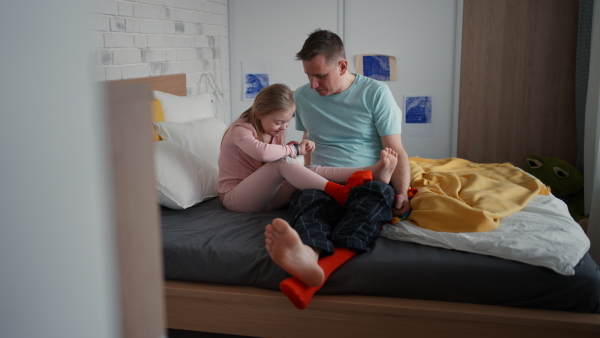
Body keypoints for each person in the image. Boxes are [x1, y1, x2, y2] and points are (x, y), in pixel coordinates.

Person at [264, 30, 413, 309]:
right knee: (306, 200)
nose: (313, 83)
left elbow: (397, 151)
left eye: (320, 75)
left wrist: (402, 193)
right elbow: (307, 147)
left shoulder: (375, 93)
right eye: (308, 75)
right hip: (323, 176)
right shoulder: (304, 97)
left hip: (366, 177)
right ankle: (306, 256)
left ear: (342, 66)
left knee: (373, 199)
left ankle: (324, 267)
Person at [217, 83, 398, 213]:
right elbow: (262, 152)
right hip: (236, 199)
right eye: (278, 122)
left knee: (306, 170)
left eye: (288, 122)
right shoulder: (240, 130)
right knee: (282, 164)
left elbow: (268, 161)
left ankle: (368, 172)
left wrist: (293, 147)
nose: (283, 127)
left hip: (266, 198)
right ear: (258, 114)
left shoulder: (272, 130)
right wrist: (294, 150)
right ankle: (340, 193)